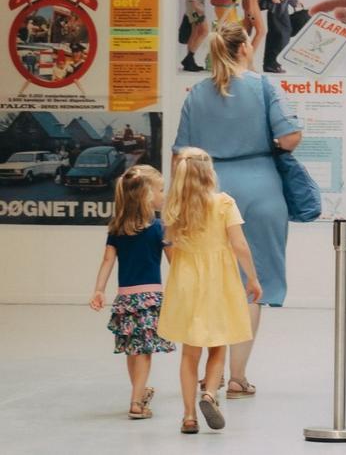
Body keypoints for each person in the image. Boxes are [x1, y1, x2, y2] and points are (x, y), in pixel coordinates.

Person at [172, 22, 301, 399]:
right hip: (260, 187)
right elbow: (290, 137)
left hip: (208, 189)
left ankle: (207, 371)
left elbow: (180, 153)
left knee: (208, 279)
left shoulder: (196, 93)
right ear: (245, 48)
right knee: (252, 283)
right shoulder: (263, 87)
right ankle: (236, 377)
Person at [157, 147, 262, 434]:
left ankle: (189, 416)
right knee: (218, 344)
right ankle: (209, 393)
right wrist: (252, 278)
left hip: (187, 279)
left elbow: (170, 246)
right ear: (209, 172)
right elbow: (239, 245)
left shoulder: (174, 207)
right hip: (220, 280)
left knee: (189, 353)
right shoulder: (224, 203)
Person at [89, 165, 175, 420]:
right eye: (160, 190)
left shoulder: (117, 228)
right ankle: (136, 401)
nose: (163, 194)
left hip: (125, 299)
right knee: (144, 351)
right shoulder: (159, 228)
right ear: (147, 195)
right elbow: (175, 262)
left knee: (131, 349)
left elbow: (107, 261)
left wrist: (99, 290)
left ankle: (139, 392)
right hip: (150, 298)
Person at [181, 0, 209, 72]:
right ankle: (189, 59)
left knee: (195, 34)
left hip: (196, 6)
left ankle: (189, 61)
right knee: (203, 32)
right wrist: (198, 8)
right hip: (195, 8)